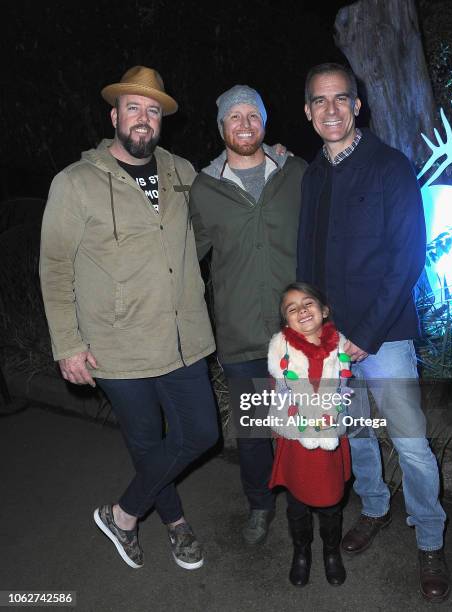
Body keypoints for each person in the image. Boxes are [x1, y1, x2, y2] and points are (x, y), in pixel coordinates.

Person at [40, 66, 219, 571]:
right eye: (134, 108)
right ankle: (178, 524)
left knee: (202, 432)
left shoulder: (183, 172)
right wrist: (66, 343)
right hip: (117, 341)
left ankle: (122, 514)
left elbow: (217, 209)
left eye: (153, 111)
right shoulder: (75, 183)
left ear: (162, 120)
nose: (144, 119)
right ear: (115, 115)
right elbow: (54, 266)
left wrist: (270, 158)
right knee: (145, 441)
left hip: (184, 334)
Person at [298, 62, 449, 602]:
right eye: (320, 100)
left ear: (357, 105)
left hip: (383, 338)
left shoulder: (390, 166)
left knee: (411, 445)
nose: (331, 109)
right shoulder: (314, 175)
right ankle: (376, 508)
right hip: (332, 341)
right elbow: (307, 260)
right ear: (309, 111)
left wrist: (363, 334)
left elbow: (406, 259)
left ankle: (430, 539)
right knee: (356, 431)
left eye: (342, 98)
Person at [189, 85, 307, 545]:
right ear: (221, 127)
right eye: (233, 117)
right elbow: (185, 257)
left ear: (265, 122)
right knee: (255, 433)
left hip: (298, 333)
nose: (243, 124)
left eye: (252, 115)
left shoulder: (296, 171)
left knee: (304, 424)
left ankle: (306, 501)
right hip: (239, 335)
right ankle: (259, 505)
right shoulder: (204, 188)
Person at [267, 282, 351, 587]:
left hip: (328, 435)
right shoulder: (281, 352)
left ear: (324, 310)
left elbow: (344, 391)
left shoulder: (340, 347)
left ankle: (332, 552)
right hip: (296, 439)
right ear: (286, 321)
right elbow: (277, 394)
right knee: (296, 503)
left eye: (308, 303)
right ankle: (301, 551)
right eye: (292, 308)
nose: (301, 310)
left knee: (330, 503)